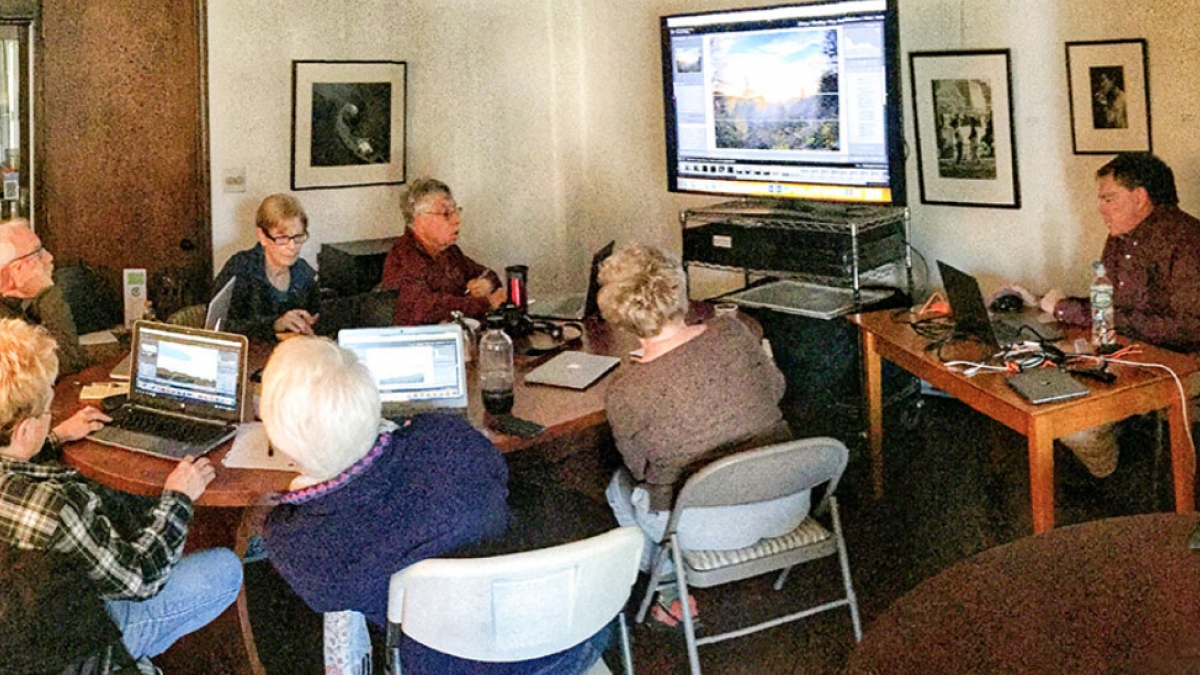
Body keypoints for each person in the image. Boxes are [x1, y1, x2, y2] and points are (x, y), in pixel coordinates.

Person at [259, 337, 608, 674]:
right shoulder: (447, 439)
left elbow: (329, 597)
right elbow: (497, 477)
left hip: (451, 667)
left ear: (278, 439)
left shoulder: (296, 541)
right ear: (373, 400)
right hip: (571, 637)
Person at [0, 318, 241, 673]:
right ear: (22, 430)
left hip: (16, 622)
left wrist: (53, 438)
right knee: (226, 569)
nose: (51, 416)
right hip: (65, 644)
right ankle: (131, 656)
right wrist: (178, 497)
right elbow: (140, 580)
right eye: (47, 410)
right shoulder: (54, 508)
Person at [597, 244, 806, 578]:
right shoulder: (734, 332)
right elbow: (776, 389)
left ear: (620, 318)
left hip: (701, 530)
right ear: (678, 291)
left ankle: (667, 583)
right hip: (790, 503)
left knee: (617, 488)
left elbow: (640, 470)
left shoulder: (625, 390)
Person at [1041, 152, 1200, 477]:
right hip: (1128, 353)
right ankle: (1116, 464)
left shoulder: (1187, 240)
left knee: (1073, 422)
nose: (1101, 208)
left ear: (1140, 197)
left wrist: (1072, 310)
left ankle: (1113, 476)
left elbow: (1188, 329)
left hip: (1179, 363)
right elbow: (1108, 305)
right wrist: (1064, 306)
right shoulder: (1120, 237)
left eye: (1109, 198)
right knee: (1042, 374)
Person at [380, 178, 505, 325]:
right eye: (446, 214)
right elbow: (427, 310)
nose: (457, 219)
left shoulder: (448, 251)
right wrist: (486, 303)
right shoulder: (404, 256)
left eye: (456, 211)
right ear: (418, 220)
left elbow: (487, 273)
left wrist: (486, 284)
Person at [214, 193, 320, 341]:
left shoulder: (303, 272)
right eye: (282, 238)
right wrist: (275, 324)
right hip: (250, 358)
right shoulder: (241, 268)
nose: (292, 247)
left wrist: (311, 322)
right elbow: (218, 326)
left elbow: (317, 316)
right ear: (262, 236)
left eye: (298, 237)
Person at [0, 219, 88, 375]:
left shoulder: (12, 305)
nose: (49, 257)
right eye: (38, 253)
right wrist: (47, 294)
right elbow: (64, 365)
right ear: (17, 269)